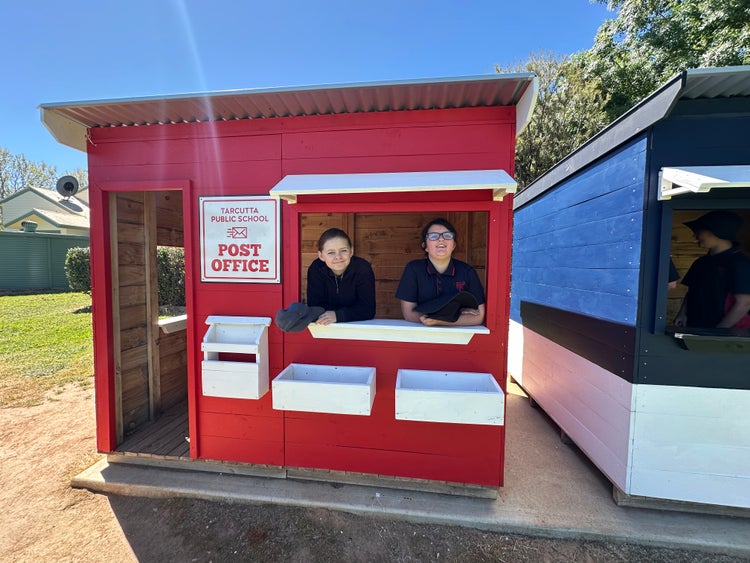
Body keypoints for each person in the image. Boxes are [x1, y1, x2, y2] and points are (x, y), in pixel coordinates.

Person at [396, 218, 486, 326]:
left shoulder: (467, 271)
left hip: (459, 336)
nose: (441, 240)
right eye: (434, 236)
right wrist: (456, 314)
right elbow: (409, 314)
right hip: (421, 334)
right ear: (425, 246)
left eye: (447, 236)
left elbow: (479, 316)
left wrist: (439, 321)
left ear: (453, 245)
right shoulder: (414, 269)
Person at [673, 210, 750, 329]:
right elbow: (691, 292)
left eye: (699, 231)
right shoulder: (700, 263)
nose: (695, 236)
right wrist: (682, 314)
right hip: (697, 328)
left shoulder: (740, 263)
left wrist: (719, 331)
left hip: (731, 336)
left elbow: (744, 302)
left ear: (716, 231)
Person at [306, 228, 376, 325]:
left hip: (356, 325)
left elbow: (368, 309)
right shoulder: (316, 269)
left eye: (343, 250)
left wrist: (338, 315)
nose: (338, 257)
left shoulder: (362, 268)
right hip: (325, 326)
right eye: (331, 252)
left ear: (351, 251)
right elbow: (314, 306)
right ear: (321, 256)